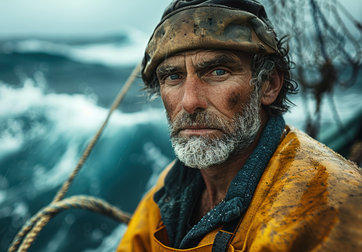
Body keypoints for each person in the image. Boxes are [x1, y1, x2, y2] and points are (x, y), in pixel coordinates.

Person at [117, 0, 362, 251]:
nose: (190, 102)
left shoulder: (325, 203)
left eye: (218, 72)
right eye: (173, 76)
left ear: (268, 85)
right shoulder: (169, 189)